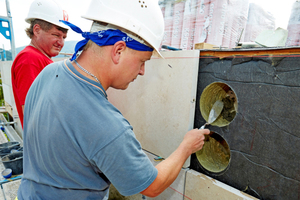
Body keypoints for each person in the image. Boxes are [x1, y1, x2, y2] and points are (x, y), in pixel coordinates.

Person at [17, 0, 210, 199]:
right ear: (118, 50)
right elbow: (153, 185)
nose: (142, 71)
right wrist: (187, 146)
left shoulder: (49, 72)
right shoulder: (106, 124)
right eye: (142, 61)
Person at [11, 0, 69, 127]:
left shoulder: (41, 58)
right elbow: (33, 115)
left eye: (64, 37)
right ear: (37, 30)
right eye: (56, 35)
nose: (61, 43)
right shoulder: (29, 59)